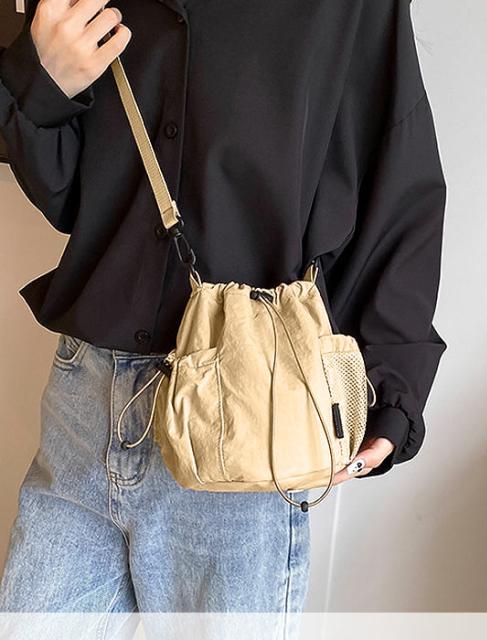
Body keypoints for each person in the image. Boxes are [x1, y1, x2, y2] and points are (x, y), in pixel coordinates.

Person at [0, 0, 448, 627]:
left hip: (248, 413)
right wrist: (42, 83)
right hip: (86, 397)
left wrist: (392, 389)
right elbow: (75, 197)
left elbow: (397, 178)